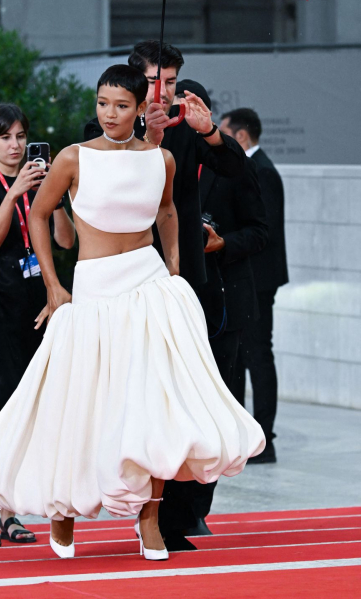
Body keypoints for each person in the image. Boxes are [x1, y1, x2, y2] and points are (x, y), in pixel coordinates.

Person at [0, 65, 265, 562]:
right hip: (93, 291)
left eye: (121, 105)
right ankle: (63, 511)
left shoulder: (161, 159)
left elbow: (168, 212)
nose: (110, 113)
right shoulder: (72, 158)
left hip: (147, 286)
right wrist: (54, 285)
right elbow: (39, 215)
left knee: (151, 405)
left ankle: (148, 519)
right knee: (81, 406)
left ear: (139, 106)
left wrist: (173, 271)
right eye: (103, 103)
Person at [0, 103, 75, 547]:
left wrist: (55, 195)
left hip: (31, 308)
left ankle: (8, 510)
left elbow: (64, 240)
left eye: (21, 137)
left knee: (22, 406)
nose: (15, 145)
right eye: (5, 137)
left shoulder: (40, 185)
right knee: (0, 396)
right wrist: (13, 194)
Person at [159, 85, 269, 539]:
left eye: (190, 113)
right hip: (168, 298)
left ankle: (194, 509)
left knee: (213, 407)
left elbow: (260, 231)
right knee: (171, 406)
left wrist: (222, 243)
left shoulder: (230, 165)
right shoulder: (157, 156)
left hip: (221, 301)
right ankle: (163, 511)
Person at [84, 41, 247, 289]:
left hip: (182, 268)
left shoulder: (185, 124)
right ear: (133, 80)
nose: (162, 91)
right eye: (152, 81)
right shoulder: (104, 126)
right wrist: (149, 138)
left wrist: (210, 131)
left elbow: (235, 169)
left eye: (170, 82)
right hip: (125, 267)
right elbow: (112, 187)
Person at [220, 108, 288, 464]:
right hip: (250, 280)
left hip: (260, 281)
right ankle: (248, 436)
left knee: (258, 356)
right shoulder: (252, 167)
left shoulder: (261, 170)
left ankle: (265, 437)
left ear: (241, 137)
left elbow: (265, 230)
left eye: (225, 132)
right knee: (244, 357)